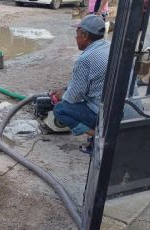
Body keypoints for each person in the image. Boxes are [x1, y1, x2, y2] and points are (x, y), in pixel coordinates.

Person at [51, 15, 110, 154]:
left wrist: (62, 95)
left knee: (60, 109)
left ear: (84, 35)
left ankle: (98, 135)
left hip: (106, 113)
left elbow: (73, 97)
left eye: (77, 34)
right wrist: (65, 88)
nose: (75, 38)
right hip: (127, 108)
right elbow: (87, 83)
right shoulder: (109, 46)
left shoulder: (85, 59)